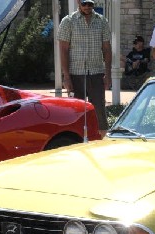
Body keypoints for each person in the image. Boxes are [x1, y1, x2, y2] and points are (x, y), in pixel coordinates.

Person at [58, 0, 111, 137]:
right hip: (76, 73)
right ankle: (76, 140)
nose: (87, 7)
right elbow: (63, 50)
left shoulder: (102, 21)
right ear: (78, 2)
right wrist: (66, 77)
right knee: (76, 111)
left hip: (96, 72)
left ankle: (101, 140)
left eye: (90, 4)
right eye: (84, 4)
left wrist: (108, 74)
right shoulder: (68, 21)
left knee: (99, 110)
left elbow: (107, 49)